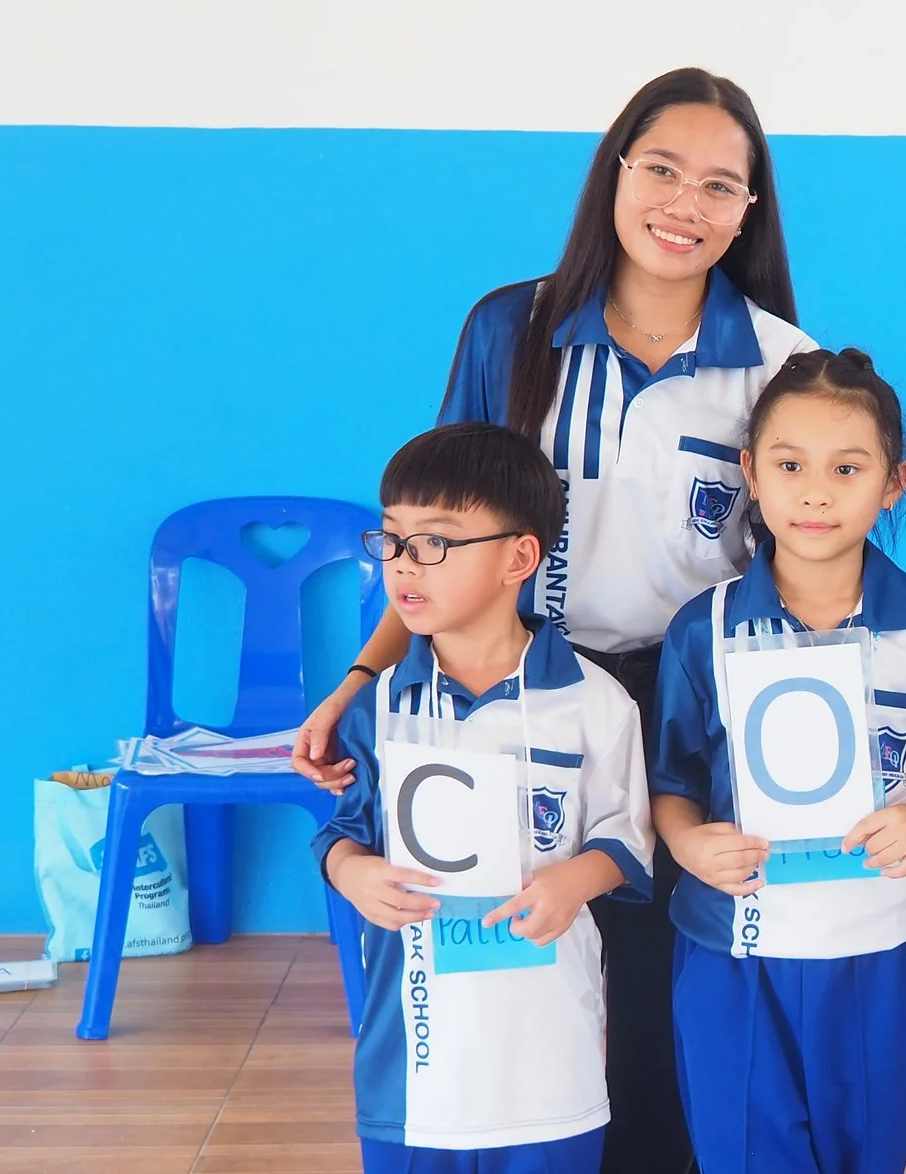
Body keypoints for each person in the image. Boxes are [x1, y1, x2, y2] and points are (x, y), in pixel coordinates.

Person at [294, 68, 814, 1173]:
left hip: (694, 713)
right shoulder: (514, 327)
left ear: (750, 209)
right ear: (615, 171)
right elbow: (441, 526)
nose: (686, 203)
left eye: (721, 185)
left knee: (674, 994)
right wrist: (358, 678)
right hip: (519, 691)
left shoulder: (778, 363)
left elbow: (802, 564)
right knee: (526, 967)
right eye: (662, 169)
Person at [649, 349, 906, 1174]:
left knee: (865, 1153)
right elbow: (670, 782)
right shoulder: (704, 628)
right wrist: (688, 842)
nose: (814, 491)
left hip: (877, 951)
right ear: (750, 474)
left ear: (893, 483)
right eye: (789, 464)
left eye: (847, 468)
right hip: (734, 953)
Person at [312, 423, 655, 1173]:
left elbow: (627, 837)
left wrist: (577, 878)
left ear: (519, 557)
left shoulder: (595, 703)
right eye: (393, 539)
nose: (404, 566)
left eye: (435, 543)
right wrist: (351, 872)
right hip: (413, 1064)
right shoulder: (379, 707)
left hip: (549, 1063)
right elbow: (343, 831)